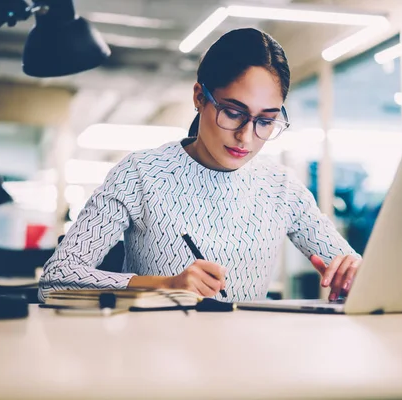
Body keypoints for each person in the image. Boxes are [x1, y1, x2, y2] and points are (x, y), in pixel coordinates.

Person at [38, 28, 361, 303]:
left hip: (249, 364)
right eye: (233, 112)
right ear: (199, 97)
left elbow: (353, 269)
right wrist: (165, 285)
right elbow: (56, 279)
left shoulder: (282, 188)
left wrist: (354, 275)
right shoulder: (140, 174)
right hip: (154, 361)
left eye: (266, 120)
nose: (246, 137)